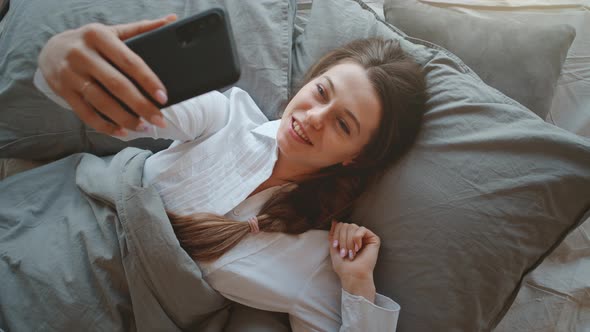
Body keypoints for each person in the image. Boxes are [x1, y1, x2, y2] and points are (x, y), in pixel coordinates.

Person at [33, 15, 427, 331]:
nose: (315, 118)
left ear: (357, 158)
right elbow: (119, 106)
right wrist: (64, 61)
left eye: (343, 125)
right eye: (322, 92)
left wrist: (358, 285)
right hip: (45, 229)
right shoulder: (225, 115)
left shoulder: (311, 256)